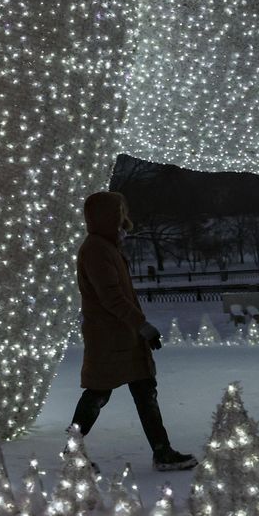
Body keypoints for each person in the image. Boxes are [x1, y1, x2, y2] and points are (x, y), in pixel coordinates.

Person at [70, 190, 197, 471]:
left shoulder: (106, 247)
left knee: (143, 389)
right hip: (109, 337)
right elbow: (112, 297)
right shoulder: (95, 250)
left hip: (122, 335)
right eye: (119, 213)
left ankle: (162, 451)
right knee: (98, 392)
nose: (123, 218)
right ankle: (72, 451)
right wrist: (142, 325)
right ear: (107, 216)